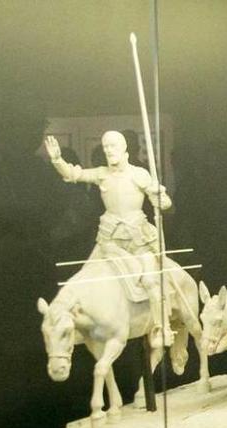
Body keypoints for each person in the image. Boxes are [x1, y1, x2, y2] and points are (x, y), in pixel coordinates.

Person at [44, 131, 174, 346]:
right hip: (109, 237)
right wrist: (57, 159)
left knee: (151, 281)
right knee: (86, 276)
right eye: (105, 147)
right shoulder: (101, 173)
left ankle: (162, 327)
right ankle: (76, 324)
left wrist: (159, 197)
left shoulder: (138, 174)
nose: (108, 151)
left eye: (112, 146)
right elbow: (72, 175)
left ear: (124, 149)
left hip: (137, 237)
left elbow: (166, 204)